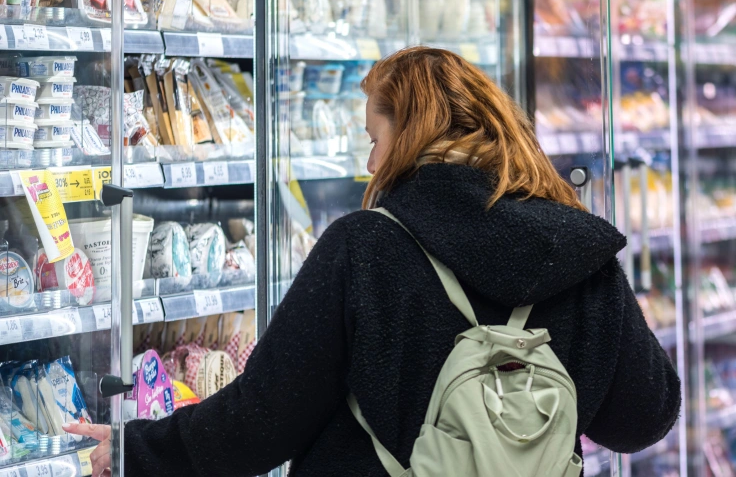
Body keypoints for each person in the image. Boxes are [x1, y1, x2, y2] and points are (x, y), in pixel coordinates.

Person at [65, 46, 681, 476]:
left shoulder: (365, 248)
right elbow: (643, 418)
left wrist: (136, 451)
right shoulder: (582, 251)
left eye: (374, 139)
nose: (369, 163)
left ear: (408, 140)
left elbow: (258, 425)